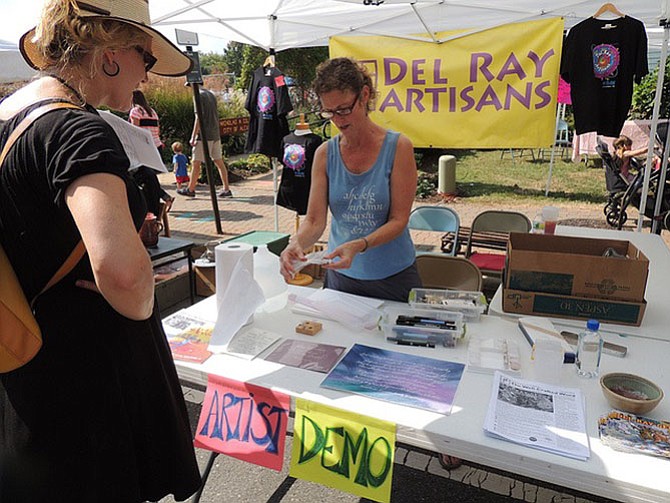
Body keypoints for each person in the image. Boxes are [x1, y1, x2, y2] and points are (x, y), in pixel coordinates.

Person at [0, 1, 201, 501]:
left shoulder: (9, 117)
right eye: (146, 59)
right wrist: (142, 290)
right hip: (85, 390)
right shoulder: (77, 129)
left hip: (22, 365)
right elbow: (125, 277)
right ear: (111, 53)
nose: (147, 78)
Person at [279, 57, 421, 303]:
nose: (338, 119)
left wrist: (360, 245)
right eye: (329, 112)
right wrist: (297, 244)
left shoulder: (398, 147)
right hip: (341, 276)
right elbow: (314, 220)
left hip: (393, 277)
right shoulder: (325, 153)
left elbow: (399, 220)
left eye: (344, 109)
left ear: (364, 95)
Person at [177, 86, 232, 198]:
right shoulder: (211, 94)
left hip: (204, 135)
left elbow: (198, 117)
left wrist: (193, 136)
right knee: (218, 161)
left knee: (196, 162)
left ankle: (191, 189)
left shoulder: (198, 95)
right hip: (215, 133)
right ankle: (226, 189)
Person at [129, 89, 164, 156]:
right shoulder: (152, 111)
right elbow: (158, 130)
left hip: (144, 145)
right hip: (157, 144)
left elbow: (134, 129)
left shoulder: (135, 111)